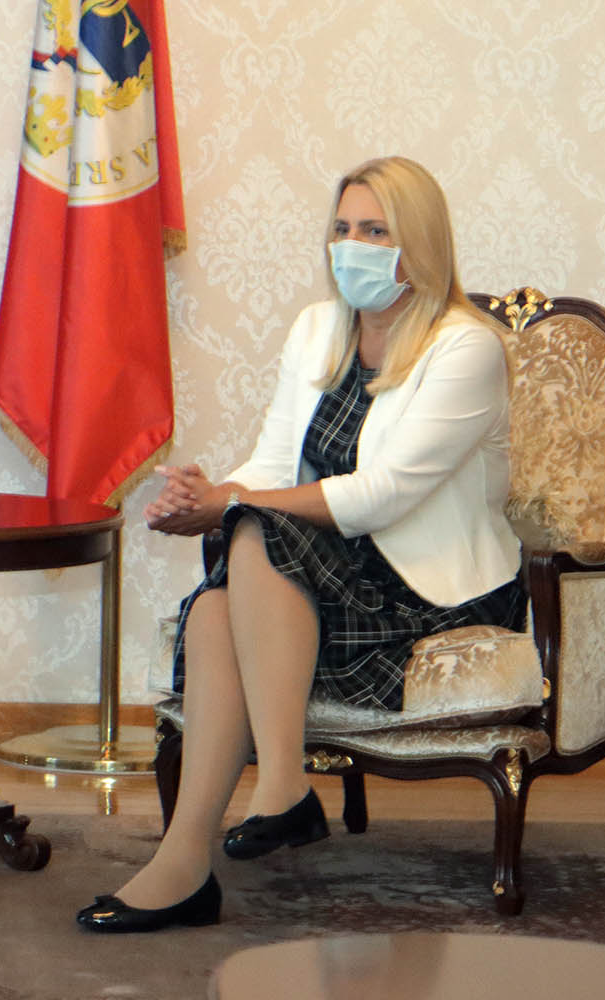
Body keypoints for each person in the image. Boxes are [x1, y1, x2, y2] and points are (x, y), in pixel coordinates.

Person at [76, 156, 526, 933]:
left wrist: (230, 505)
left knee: (253, 528)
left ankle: (280, 786)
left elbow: (383, 494)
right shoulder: (319, 329)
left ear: (419, 244)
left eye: (375, 231)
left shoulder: (466, 347)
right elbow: (275, 465)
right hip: (328, 572)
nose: (351, 246)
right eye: (342, 228)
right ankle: (187, 863)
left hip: (429, 591)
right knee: (216, 603)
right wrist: (210, 494)